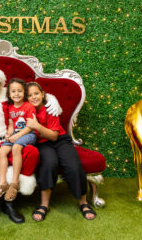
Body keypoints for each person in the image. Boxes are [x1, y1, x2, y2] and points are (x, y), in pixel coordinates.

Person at [0, 68, 61, 226]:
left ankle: (10, 202)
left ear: (1, 85)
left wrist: (50, 98)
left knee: (31, 151)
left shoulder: (7, 96)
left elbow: (28, 92)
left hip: (8, 140)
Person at [26, 82, 97, 221]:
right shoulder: (25, 110)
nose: (33, 97)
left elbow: (53, 135)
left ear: (42, 94)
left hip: (59, 140)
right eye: (29, 95)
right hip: (41, 144)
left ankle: (83, 202)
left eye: (36, 93)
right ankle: (44, 204)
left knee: (73, 165)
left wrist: (36, 126)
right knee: (49, 164)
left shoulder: (50, 107)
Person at [0, 78, 37, 202]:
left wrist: (17, 136)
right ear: (9, 94)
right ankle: (3, 183)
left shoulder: (29, 106)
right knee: (2, 151)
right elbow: (11, 123)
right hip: (15, 134)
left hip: (28, 133)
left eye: (20, 91)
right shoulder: (10, 107)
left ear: (24, 93)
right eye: (13, 91)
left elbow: (30, 126)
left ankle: (14, 183)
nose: (16, 94)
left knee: (16, 147)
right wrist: (9, 133)